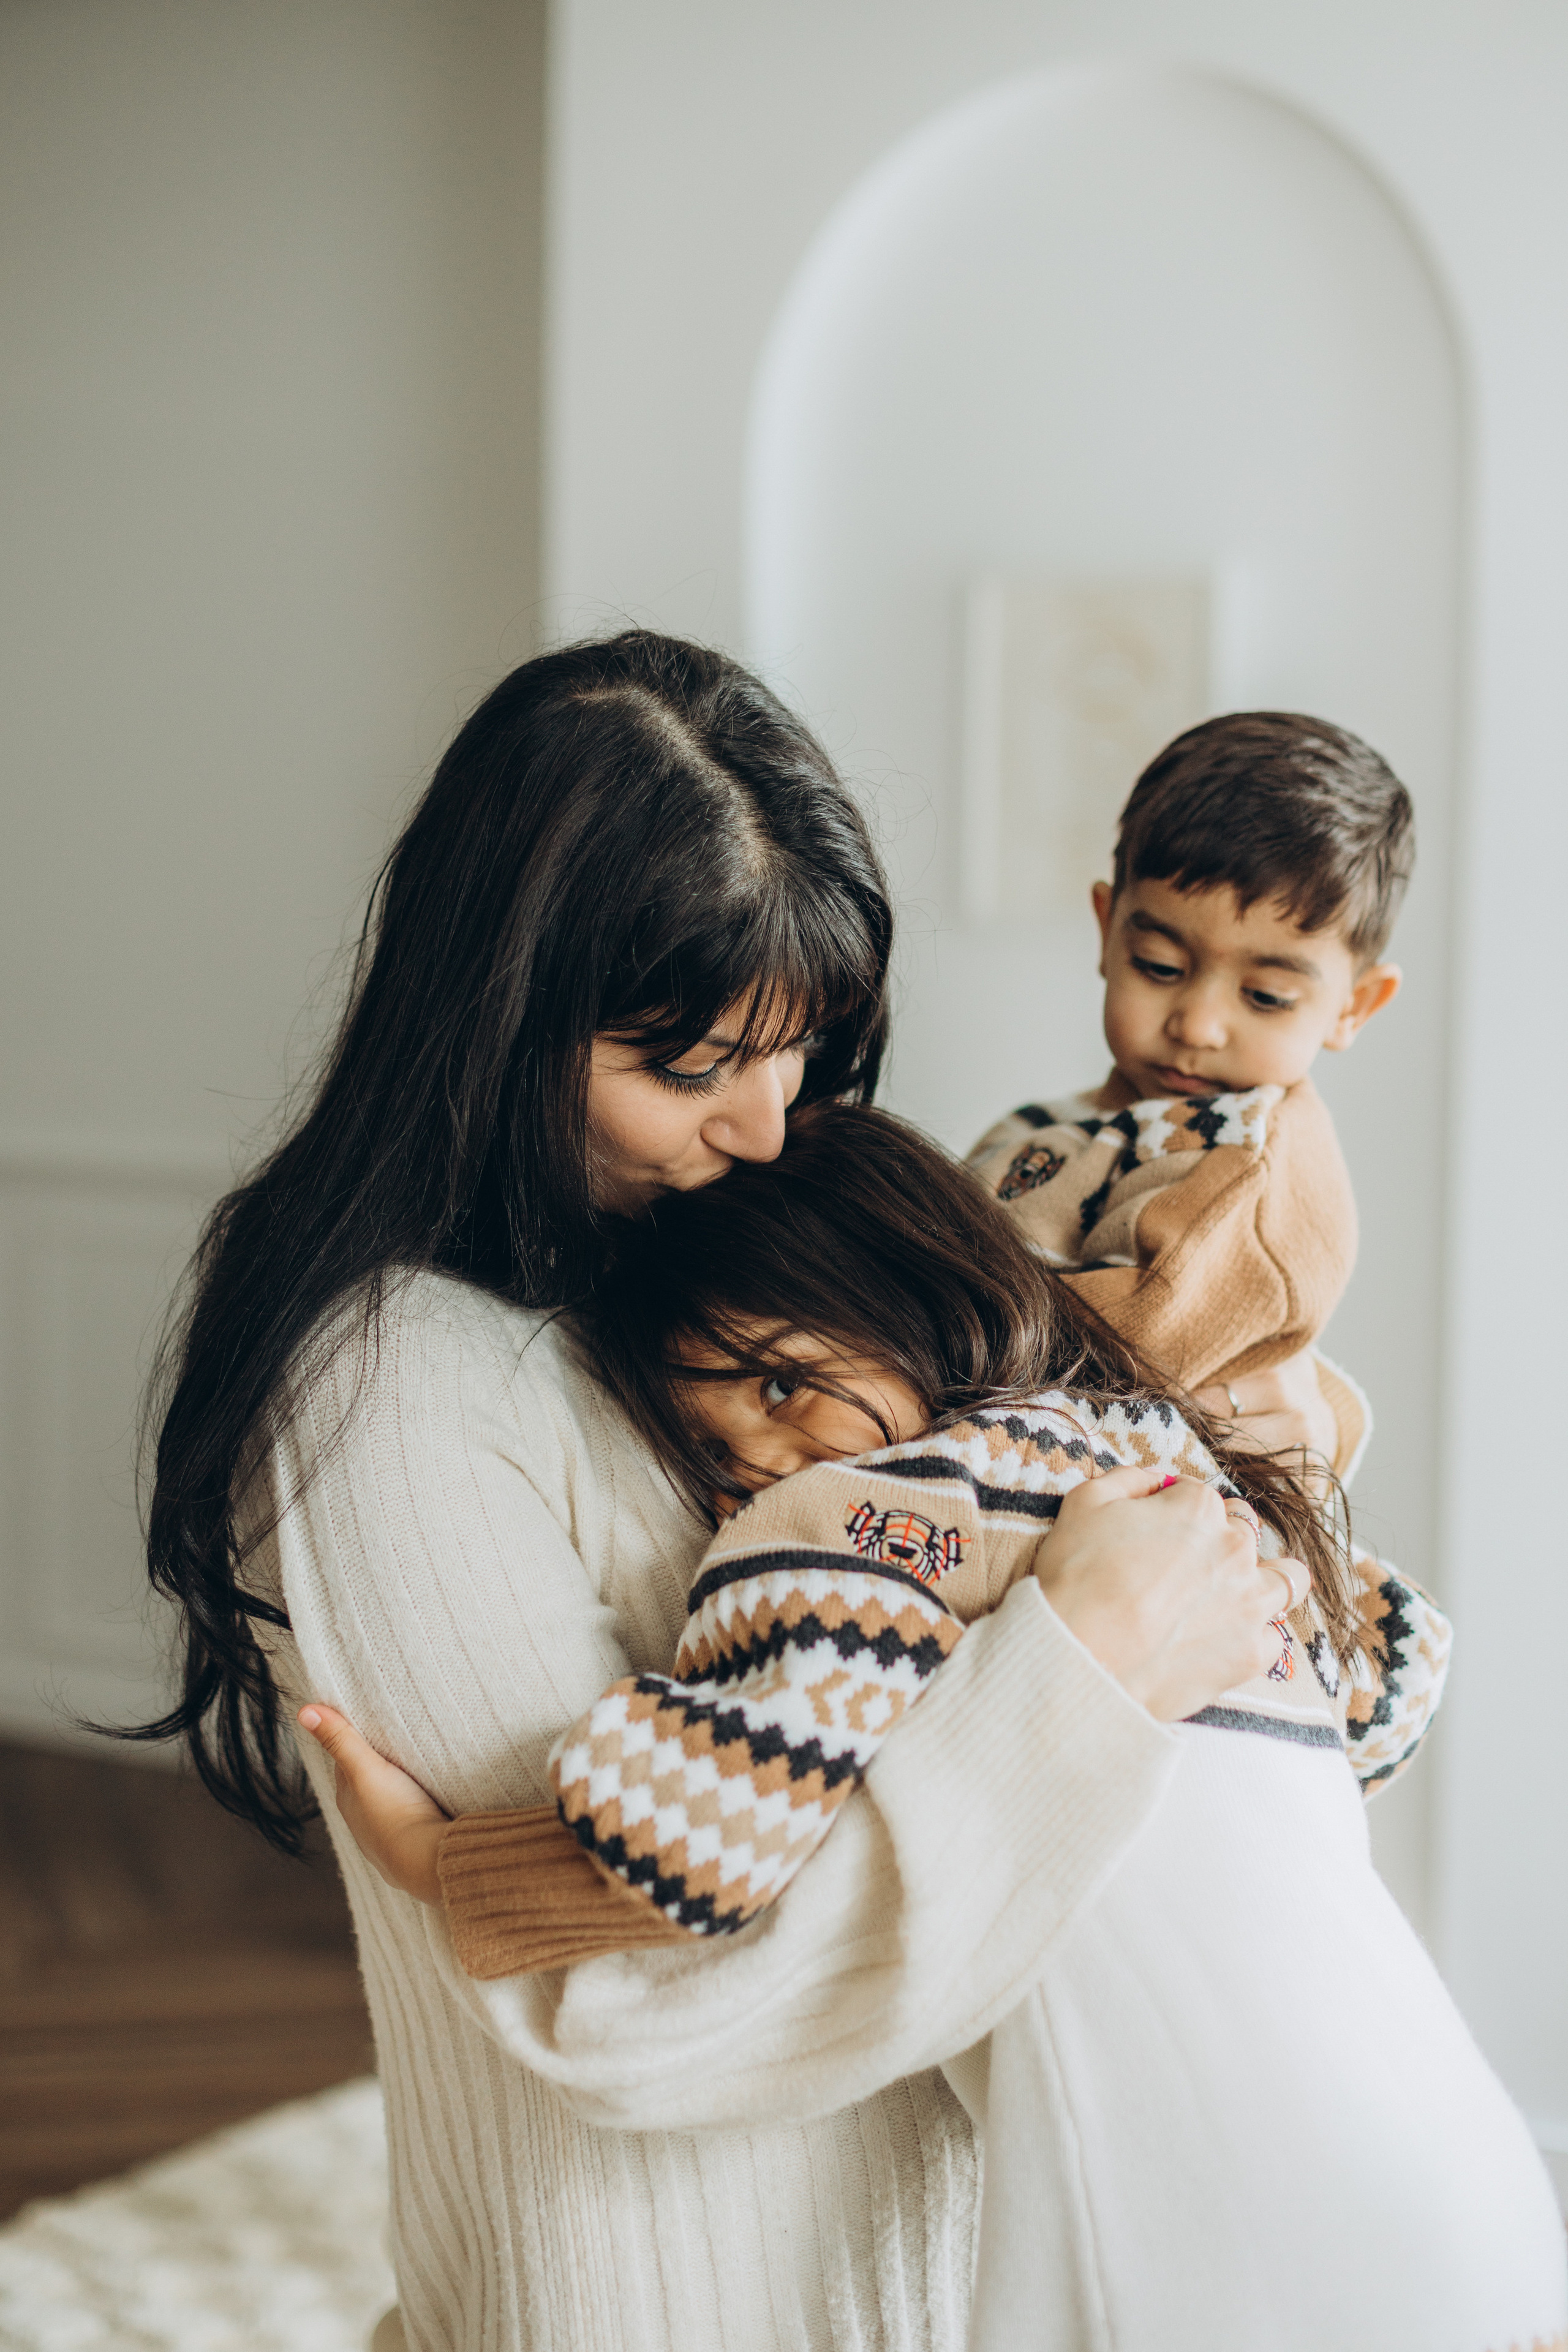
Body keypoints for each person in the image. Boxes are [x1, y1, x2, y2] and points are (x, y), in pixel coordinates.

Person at [137, 631, 1300, 2352]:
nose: (765, 1126)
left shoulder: (701, 1267)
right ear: (499, 1027)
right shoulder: (389, 1383)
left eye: (801, 1049)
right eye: (687, 1068)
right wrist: (1087, 1670)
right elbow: (619, 1998)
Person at [306, 1104, 1567, 2352]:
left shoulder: (874, 1524)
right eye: (713, 1454)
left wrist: (445, 1861)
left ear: (904, 1281)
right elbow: (1396, 1676)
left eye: (781, 1382)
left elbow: (712, 1830)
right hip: (1461, 2167)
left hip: (1216, 2237)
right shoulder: (1172, 1474)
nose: (764, 1463)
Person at [968, 711, 1409, 1472]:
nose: (1197, 1025)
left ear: (1353, 1007)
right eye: (1160, 966)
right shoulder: (1052, 1125)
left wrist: (914, 1307)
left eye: (1265, 997)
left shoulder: (1252, 1167)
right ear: (1107, 932)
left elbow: (1128, 1345)